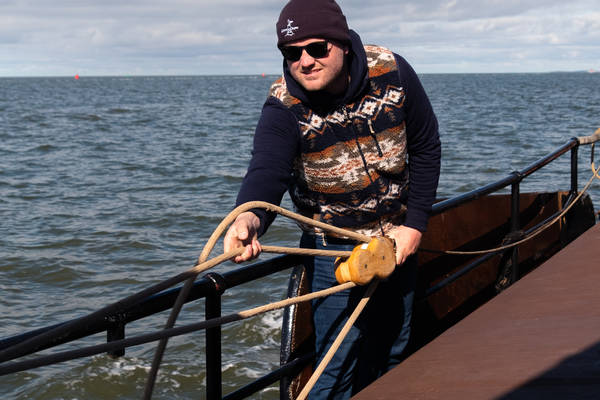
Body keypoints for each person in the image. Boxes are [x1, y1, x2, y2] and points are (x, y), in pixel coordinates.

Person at [224, 0, 441, 398]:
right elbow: (267, 171)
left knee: (395, 347)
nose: (305, 61)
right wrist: (249, 220)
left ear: (342, 44)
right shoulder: (283, 107)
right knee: (334, 367)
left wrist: (415, 226)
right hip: (333, 252)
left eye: (317, 48)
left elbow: (426, 146)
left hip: (397, 241)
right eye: (292, 53)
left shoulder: (391, 70)